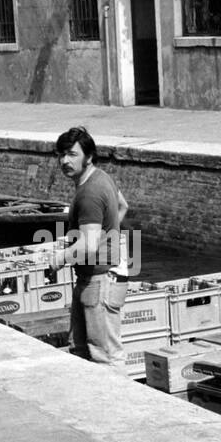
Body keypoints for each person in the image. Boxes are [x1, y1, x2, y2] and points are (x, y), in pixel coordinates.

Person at [48, 127, 130, 374]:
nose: (65, 161)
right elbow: (122, 206)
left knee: (104, 355)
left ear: (89, 156)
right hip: (99, 276)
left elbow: (88, 244)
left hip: (100, 279)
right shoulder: (102, 178)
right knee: (80, 349)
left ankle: (118, 406)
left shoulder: (90, 193)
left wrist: (59, 259)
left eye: (72, 154)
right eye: (61, 155)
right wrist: (107, 234)